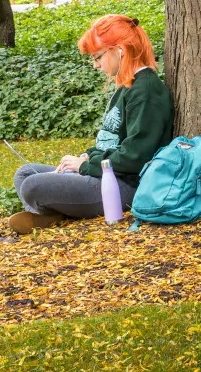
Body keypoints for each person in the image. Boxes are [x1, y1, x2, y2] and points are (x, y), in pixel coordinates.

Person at [9, 13, 172, 234]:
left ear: (120, 50)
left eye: (98, 57)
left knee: (33, 186)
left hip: (123, 186)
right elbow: (111, 142)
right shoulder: (127, 86)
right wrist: (86, 155)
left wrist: (85, 166)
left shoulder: (146, 90)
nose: (95, 66)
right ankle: (52, 214)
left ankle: (53, 212)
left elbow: (136, 157)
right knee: (25, 173)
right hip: (105, 173)